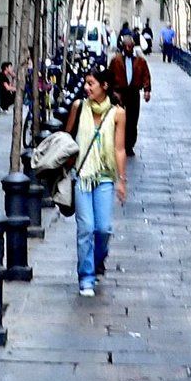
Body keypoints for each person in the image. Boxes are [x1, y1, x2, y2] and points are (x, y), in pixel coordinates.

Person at [63, 64, 127, 297]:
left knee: (103, 229)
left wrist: (122, 180)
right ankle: (86, 277)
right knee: (86, 228)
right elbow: (66, 140)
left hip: (105, 177)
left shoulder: (117, 113)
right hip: (82, 175)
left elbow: (119, 149)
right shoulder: (79, 107)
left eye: (91, 83)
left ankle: (98, 260)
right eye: (86, 83)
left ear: (105, 86)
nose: (86, 87)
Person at [108, 34, 152, 158]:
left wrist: (147, 90)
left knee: (132, 119)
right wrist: (112, 91)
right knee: (118, 119)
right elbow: (109, 76)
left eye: (130, 46)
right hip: (119, 93)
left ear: (133, 46)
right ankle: (119, 143)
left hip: (133, 92)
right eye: (126, 46)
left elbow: (145, 75)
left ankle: (129, 145)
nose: (128, 48)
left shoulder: (140, 61)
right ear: (122, 47)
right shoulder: (116, 60)